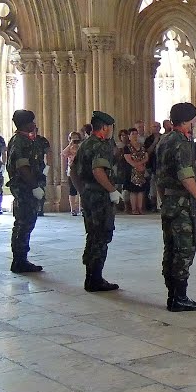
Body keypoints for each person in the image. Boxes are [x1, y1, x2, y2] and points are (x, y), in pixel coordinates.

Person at [154, 102, 196, 312]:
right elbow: (185, 175)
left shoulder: (163, 140)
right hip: (182, 203)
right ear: (188, 121)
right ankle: (180, 297)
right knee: (184, 249)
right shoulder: (182, 143)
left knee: (171, 248)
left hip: (168, 201)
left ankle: (172, 295)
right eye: (193, 119)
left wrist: (163, 198)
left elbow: (159, 176)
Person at [70, 111, 121, 293]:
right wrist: (112, 190)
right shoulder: (100, 145)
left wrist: (82, 191)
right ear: (105, 127)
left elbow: (73, 170)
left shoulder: (85, 144)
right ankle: (95, 279)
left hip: (89, 194)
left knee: (92, 235)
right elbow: (99, 171)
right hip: (100, 196)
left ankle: (91, 277)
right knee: (100, 236)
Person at [6, 110, 46, 273]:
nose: (34, 124)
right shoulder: (19, 141)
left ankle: (21, 259)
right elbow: (22, 167)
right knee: (23, 223)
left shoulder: (27, 140)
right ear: (25, 124)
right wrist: (34, 187)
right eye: (32, 121)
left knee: (26, 223)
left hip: (28, 187)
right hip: (24, 188)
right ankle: (19, 260)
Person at [123, 128, 149, 215]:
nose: (135, 135)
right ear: (129, 136)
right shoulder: (127, 147)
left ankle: (140, 208)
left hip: (141, 170)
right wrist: (136, 165)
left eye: (136, 133)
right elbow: (128, 159)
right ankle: (134, 209)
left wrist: (140, 164)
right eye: (132, 134)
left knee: (141, 190)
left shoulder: (142, 146)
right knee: (133, 190)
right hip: (131, 171)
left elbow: (146, 157)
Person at [61, 132, 82, 215]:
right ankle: (73, 209)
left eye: (76, 138)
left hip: (81, 169)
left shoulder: (81, 146)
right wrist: (70, 144)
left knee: (81, 189)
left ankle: (82, 207)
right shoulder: (69, 147)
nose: (75, 140)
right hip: (72, 170)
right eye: (73, 138)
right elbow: (63, 154)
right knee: (72, 189)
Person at [35, 131, 51, 216]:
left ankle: (40, 208)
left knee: (41, 187)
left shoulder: (42, 140)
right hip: (27, 167)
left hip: (40, 167)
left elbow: (48, 153)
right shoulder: (23, 139)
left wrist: (47, 166)